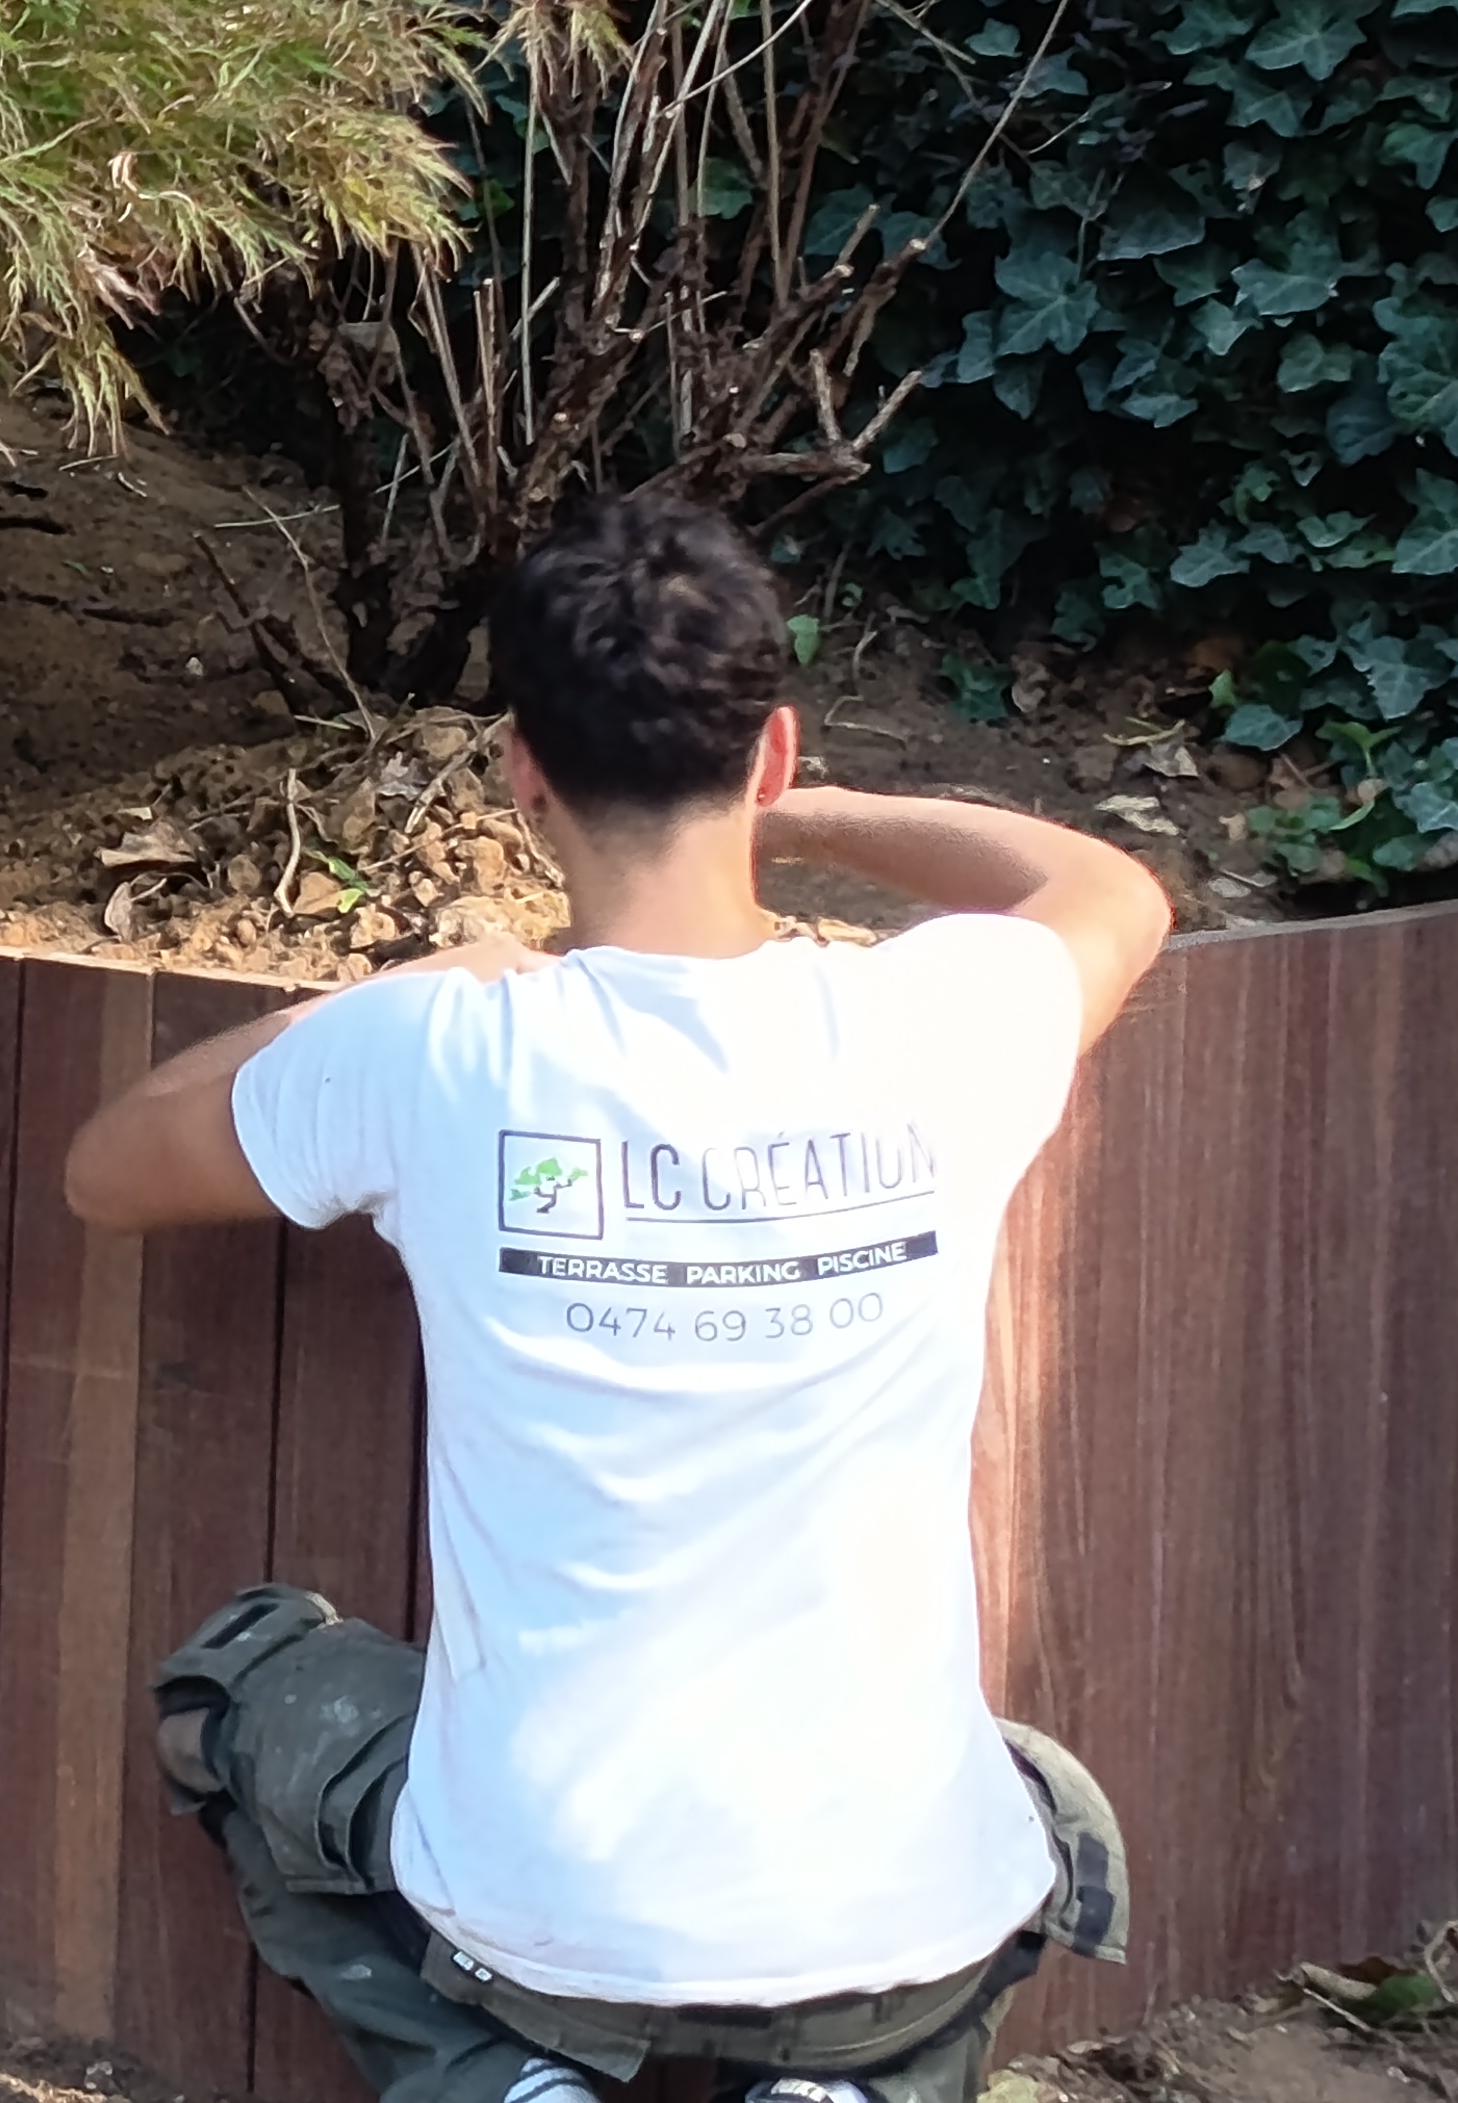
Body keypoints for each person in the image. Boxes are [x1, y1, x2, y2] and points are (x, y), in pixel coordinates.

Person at [63, 492, 1167, 2103]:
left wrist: (416, 980)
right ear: (771, 749)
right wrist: (799, 819)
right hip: (901, 1947)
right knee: (1029, 1800)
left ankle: (498, 2082)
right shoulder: (940, 1026)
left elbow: (107, 1170)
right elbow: (1108, 887)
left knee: (249, 1685)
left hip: (536, 1935)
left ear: (524, 773)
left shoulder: (441, 1054)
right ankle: (845, 2090)